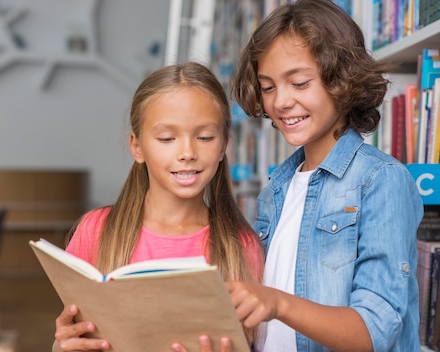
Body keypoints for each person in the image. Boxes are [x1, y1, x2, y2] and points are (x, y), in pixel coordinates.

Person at [226, 0, 424, 351]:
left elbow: (376, 329)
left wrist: (277, 303)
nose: (280, 101)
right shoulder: (276, 189)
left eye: (299, 83)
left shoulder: (381, 180)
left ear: (342, 80)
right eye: (268, 87)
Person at [51, 61, 264, 352]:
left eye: (204, 137)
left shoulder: (242, 247)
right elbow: (72, 334)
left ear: (224, 144)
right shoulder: (95, 230)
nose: (187, 153)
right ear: (137, 147)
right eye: (167, 138)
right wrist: (61, 346)